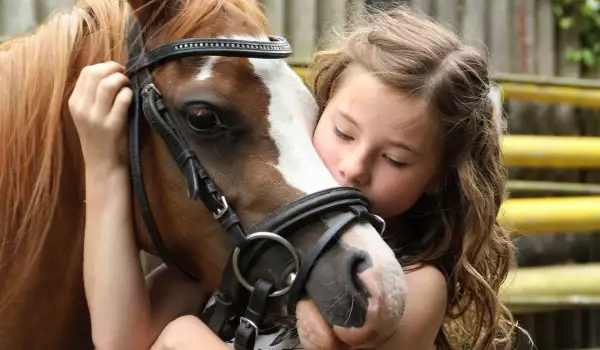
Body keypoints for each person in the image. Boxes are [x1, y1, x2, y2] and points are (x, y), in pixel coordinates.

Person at [70, 6, 519, 350]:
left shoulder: (416, 283)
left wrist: (185, 339)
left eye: (396, 160)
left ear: (437, 177)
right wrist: (104, 164)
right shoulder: (254, 243)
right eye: (343, 132)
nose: (354, 166)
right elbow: (121, 339)